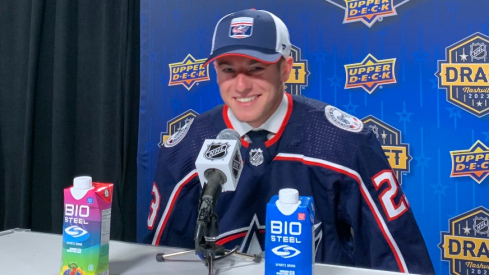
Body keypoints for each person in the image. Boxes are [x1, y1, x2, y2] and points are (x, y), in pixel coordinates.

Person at [144, 9, 435, 274]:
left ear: (285, 68)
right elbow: (161, 259)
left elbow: (398, 257)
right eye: (228, 69)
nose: (241, 85)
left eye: (256, 68)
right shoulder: (185, 147)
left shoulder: (342, 141)